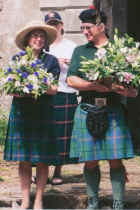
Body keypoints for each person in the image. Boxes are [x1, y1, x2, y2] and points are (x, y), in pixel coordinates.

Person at [67, 8, 138, 210]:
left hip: (113, 110)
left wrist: (129, 92)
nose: (84, 31)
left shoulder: (119, 50)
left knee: (115, 159)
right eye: (82, 28)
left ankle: (118, 202)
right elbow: (71, 79)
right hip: (88, 109)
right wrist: (94, 86)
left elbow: (133, 87)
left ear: (101, 26)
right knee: (90, 160)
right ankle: (92, 201)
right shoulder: (81, 51)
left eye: (88, 27)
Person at [4, 21, 60, 209]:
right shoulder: (17, 59)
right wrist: (24, 89)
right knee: (25, 159)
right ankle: (26, 198)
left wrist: (36, 86)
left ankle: (39, 199)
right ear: (28, 39)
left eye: (42, 36)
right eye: (35, 36)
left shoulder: (51, 61)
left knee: (43, 159)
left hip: (43, 113)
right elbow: (11, 89)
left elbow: (53, 89)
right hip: (22, 113)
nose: (39, 39)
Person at [44, 11, 78, 185]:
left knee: (62, 135)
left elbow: (80, 69)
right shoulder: (43, 45)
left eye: (56, 23)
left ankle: (58, 170)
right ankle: (40, 171)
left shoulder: (71, 46)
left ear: (61, 25)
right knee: (43, 133)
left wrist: (69, 64)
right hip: (46, 94)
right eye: (50, 23)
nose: (53, 26)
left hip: (66, 92)